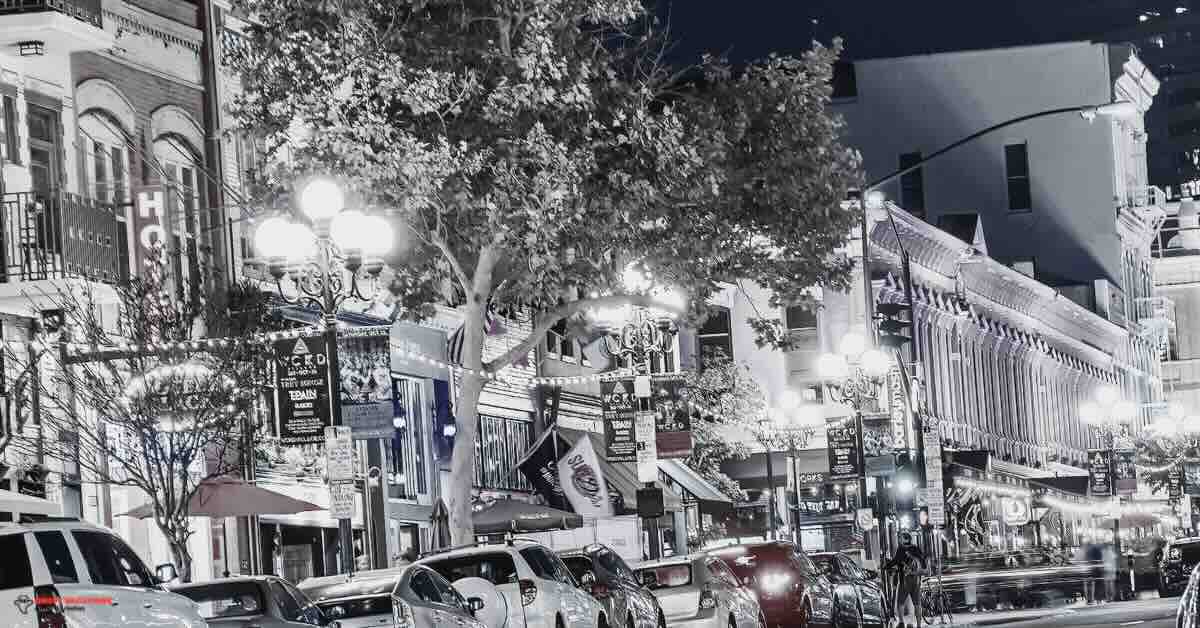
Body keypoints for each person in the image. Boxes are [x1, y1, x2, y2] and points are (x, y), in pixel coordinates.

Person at [885, 532, 927, 628]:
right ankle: (919, 625)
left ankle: (901, 622)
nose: (899, 539)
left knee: (900, 602)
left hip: (905, 579)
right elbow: (923, 562)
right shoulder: (916, 548)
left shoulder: (901, 549)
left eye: (900, 538)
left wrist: (886, 566)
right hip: (916, 579)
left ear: (905, 539)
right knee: (917, 603)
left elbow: (896, 561)